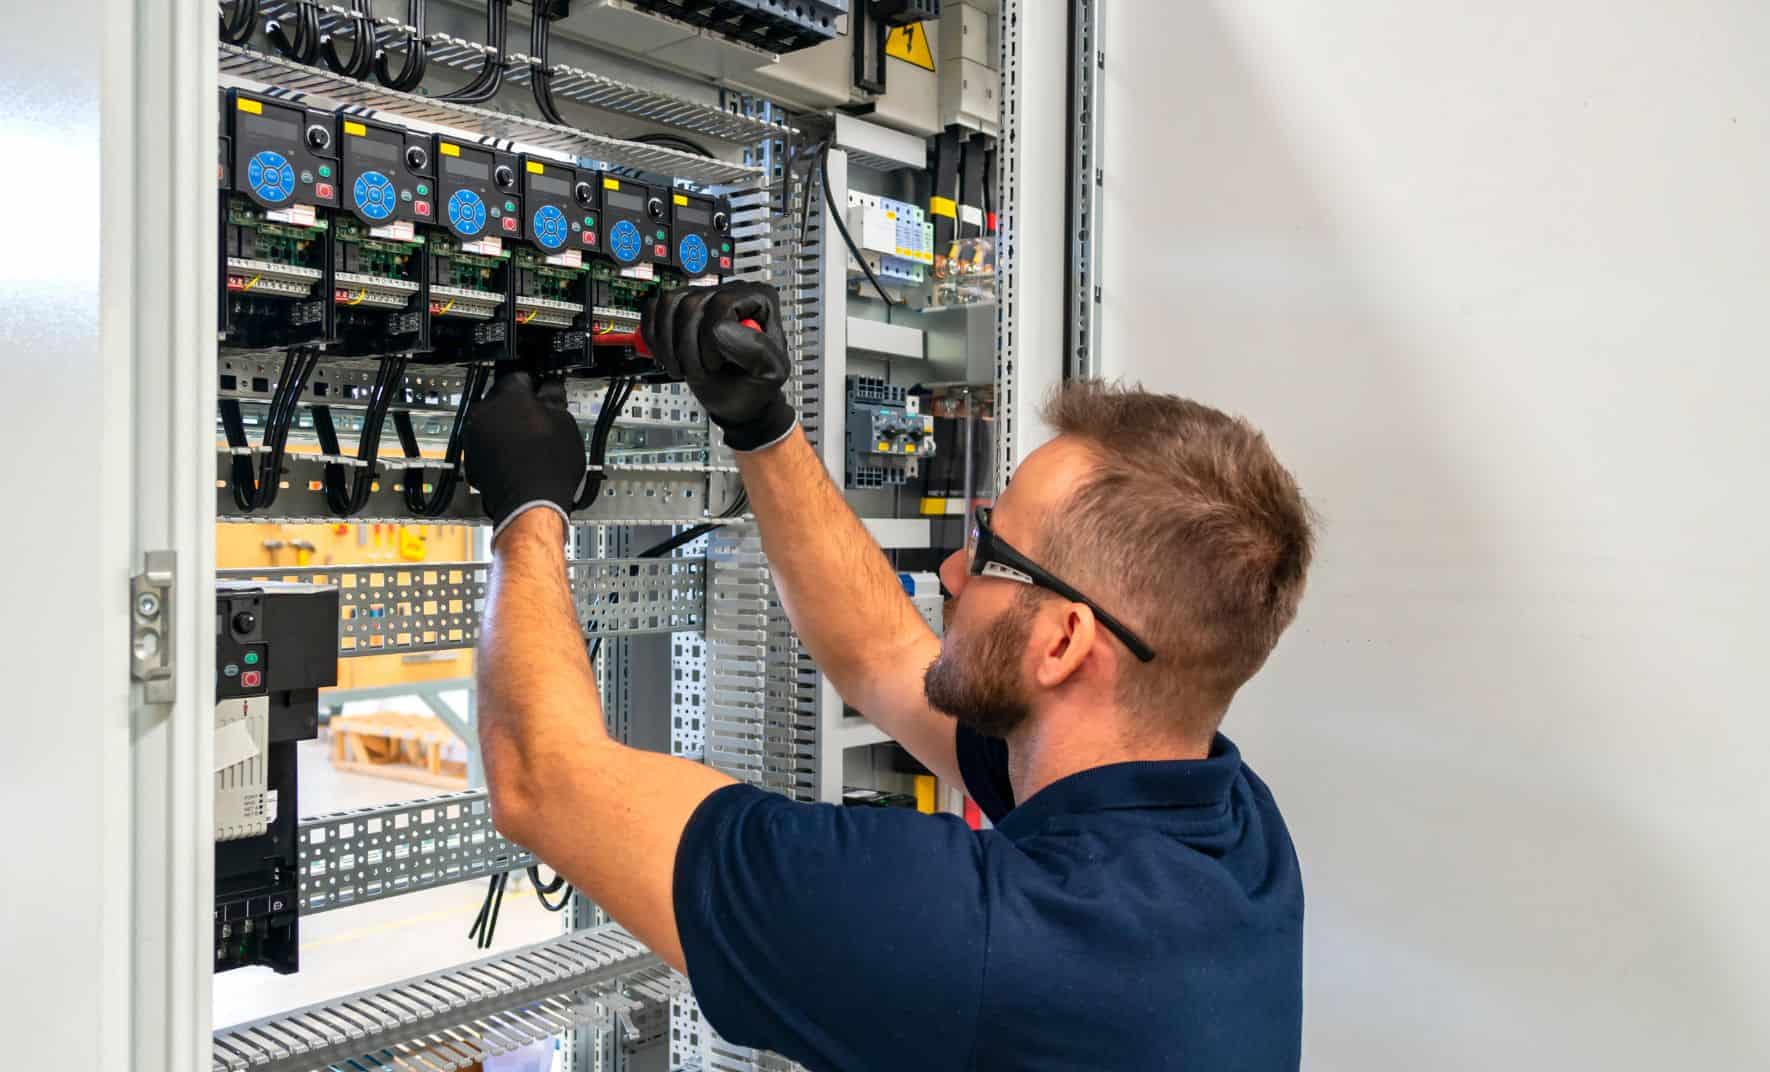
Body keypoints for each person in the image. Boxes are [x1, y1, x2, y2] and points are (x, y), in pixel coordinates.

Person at [463, 281, 1315, 1070]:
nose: (951, 572)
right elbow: (883, 658)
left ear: (1062, 644)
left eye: (993, 553)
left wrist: (525, 510)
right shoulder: (1232, 830)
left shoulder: (990, 942)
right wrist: (761, 424)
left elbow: (543, 780)